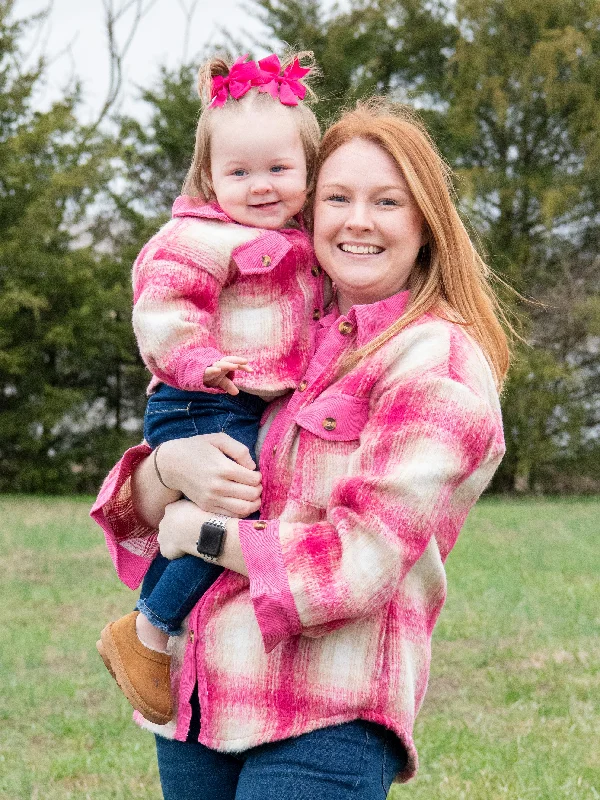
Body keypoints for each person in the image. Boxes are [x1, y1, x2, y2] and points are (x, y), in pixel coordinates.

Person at [91, 99, 508, 799]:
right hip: (198, 705)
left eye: (387, 201)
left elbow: (362, 562)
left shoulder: (435, 362)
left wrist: (201, 531)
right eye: (338, 197)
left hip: (326, 714)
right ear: (308, 210)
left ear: (426, 223)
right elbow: (140, 512)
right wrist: (169, 466)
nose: (358, 220)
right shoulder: (271, 331)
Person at [95, 52, 324, 726]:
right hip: (199, 400)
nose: (260, 186)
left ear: (309, 171)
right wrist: (199, 363)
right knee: (245, 501)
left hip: (240, 402)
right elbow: (162, 312)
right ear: (208, 175)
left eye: (279, 169)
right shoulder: (195, 238)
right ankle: (149, 629)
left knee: (249, 500)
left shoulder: (305, 240)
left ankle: (152, 627)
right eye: (240, 172)